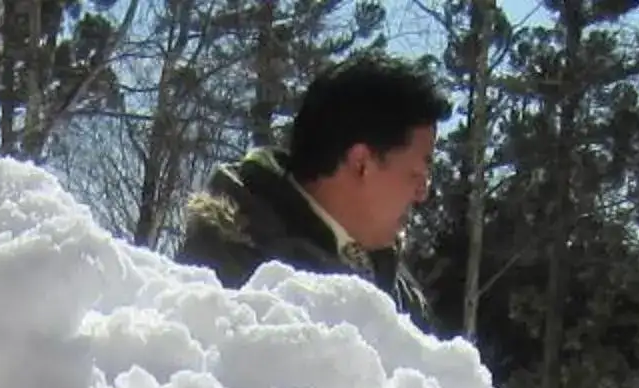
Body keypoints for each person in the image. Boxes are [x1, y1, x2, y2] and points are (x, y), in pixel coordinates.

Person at [176, 55, 448, 327]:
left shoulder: (400, 293)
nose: (422, 193)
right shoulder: (234, 269)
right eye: (417, 175)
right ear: (361, 163)